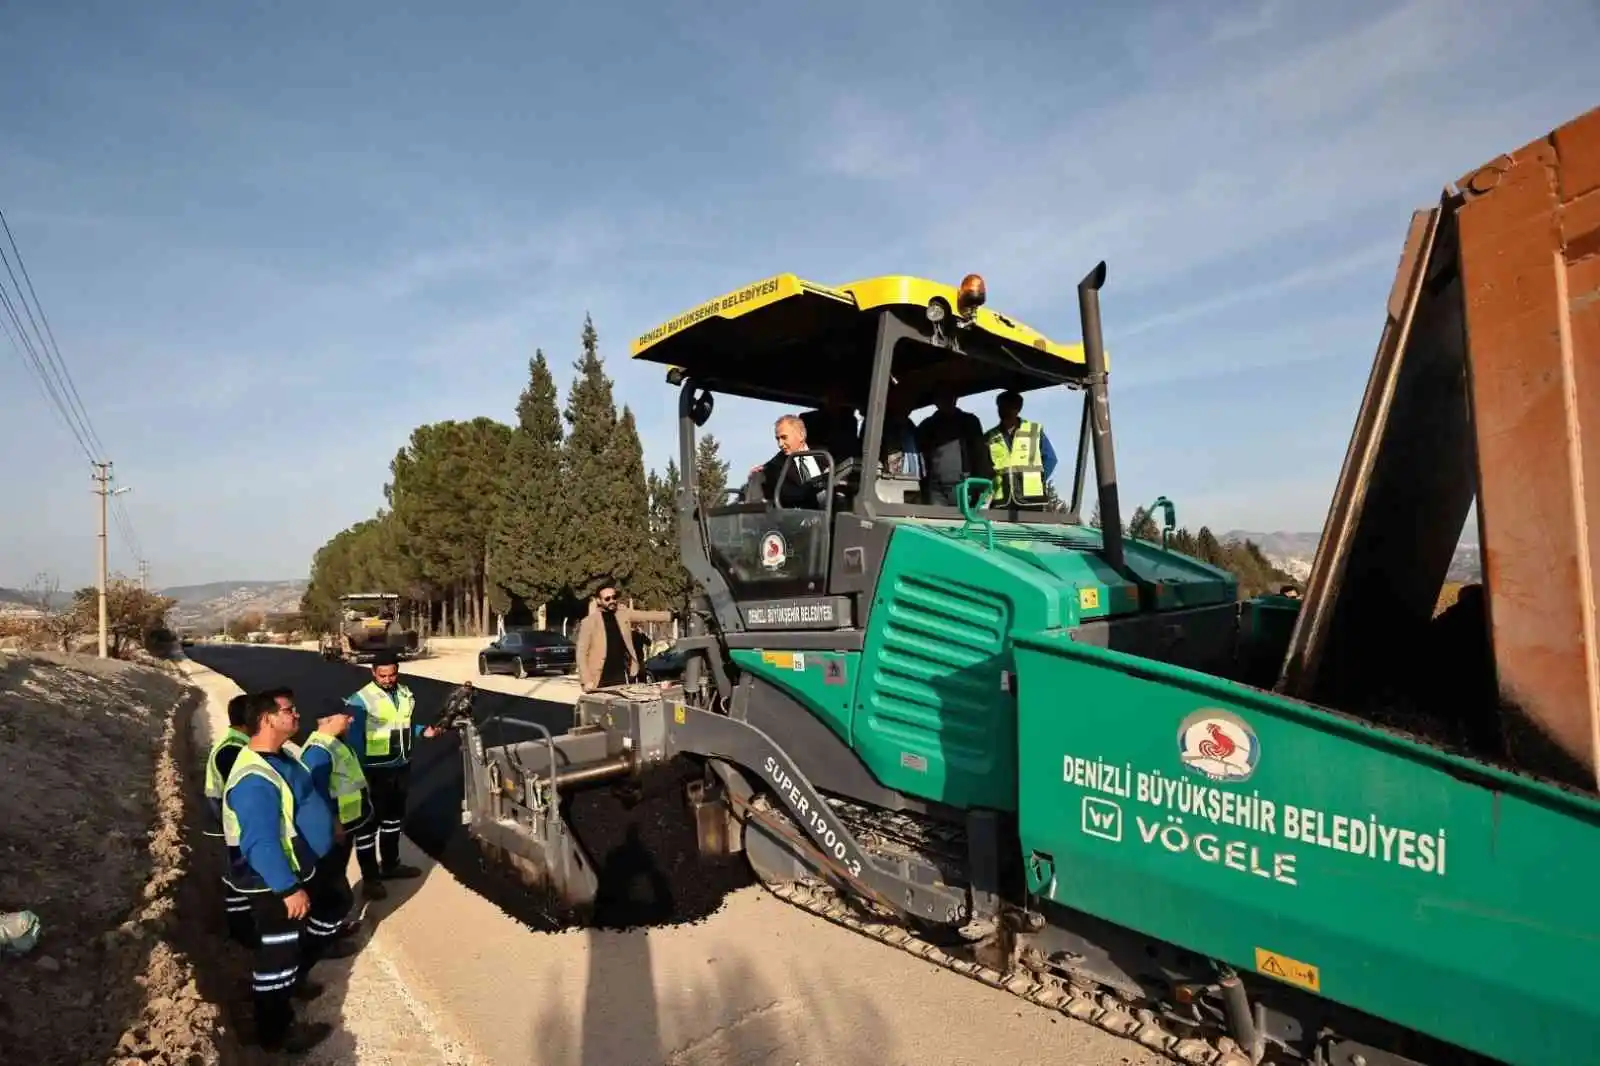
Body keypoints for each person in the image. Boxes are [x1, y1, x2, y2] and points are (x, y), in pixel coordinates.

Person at [220, 692, 356, 1053]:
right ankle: (274, 1032)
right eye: (288, 711)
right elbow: (260, 842)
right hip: (271, 882)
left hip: (304, 865)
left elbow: (304, 797)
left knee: (333, 906)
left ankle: (294, 976)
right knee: (276, 956)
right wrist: (286, 889)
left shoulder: (284, 756)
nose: (297, 714)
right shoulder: (253, 778)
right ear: (267, 719)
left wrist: (331, 824)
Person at [342, 652, 443, 900]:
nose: (388, 679)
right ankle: (370, 879)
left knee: (393, 820)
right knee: (368, 827)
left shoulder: (405, 693)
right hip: (372, 771)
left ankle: (390, 864)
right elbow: (353, 741)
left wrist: (423, 731)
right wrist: (358, 777)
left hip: (400, 766)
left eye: (392, 674)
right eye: (382, 675)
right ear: (373, 673)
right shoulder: (360, 700)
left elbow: (403, 724)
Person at [299, 699, 370, 929]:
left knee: (337, 874)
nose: (350, 719)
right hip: (334, 831)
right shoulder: (319, 752)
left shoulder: (335, 743)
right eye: (344, 716)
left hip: (347, 823)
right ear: (328, 720)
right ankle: (327, 934)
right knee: (332, 883)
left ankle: (334, 925)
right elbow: (315, 795)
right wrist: (335, 824)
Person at [203, 692, 256, 946]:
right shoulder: (233, 751)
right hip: (231, 826)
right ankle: (243, 933)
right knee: (240, 878)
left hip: (228, 824)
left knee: (239, 876)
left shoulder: (234, 743)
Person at [576, 579, 675, 692]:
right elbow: (581, 654)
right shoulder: (589, 622)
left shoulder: (623, 614)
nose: (612, 601)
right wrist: (586, 680)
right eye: (607, 599)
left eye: (614, 597)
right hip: (598, 678)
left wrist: (670, 616)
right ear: (599, 601)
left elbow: (646, 615)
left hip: (620, 676)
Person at [916, 388, 992, 507]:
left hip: (963, 485)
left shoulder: (969, 421)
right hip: (935, 488)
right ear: (935, 401)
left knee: (962, 521)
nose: (945, 401)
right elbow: (919, 452)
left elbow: (980, 452)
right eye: (941, 397)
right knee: (935, 523)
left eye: (948, 397)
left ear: (955, 399)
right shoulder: (927, 425)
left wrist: (981, 483)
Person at [985, 389, 1056, 507]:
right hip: (1002, 500)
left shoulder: (1034, 430)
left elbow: (1050, 459)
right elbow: (984, 468)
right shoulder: (990, 436)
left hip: (1031, 501)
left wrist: (1038, 481)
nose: (1003, 410)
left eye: (1009, 406)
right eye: (1001, 406)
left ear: (1018, 409)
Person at [759, 414, 828, 507]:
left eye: (784, 437)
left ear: (801, 435)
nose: (780, 444)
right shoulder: (775, 466)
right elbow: (787, 495)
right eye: (777, 439)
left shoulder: (825, 454)